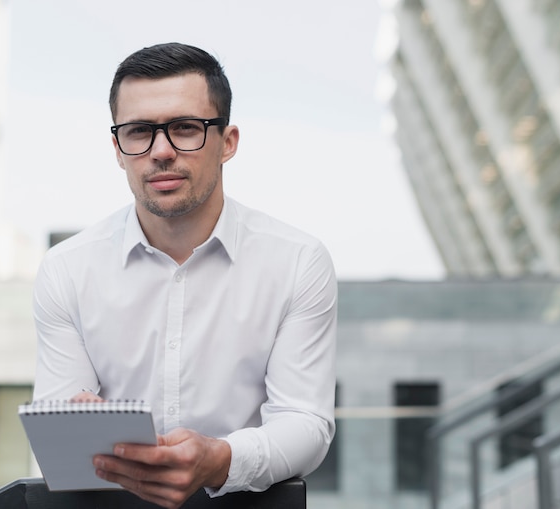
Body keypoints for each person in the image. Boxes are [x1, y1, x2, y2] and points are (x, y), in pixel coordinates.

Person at [32, 42, 337, 509]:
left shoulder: (297, 261)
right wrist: (74, 424)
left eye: (185, 129)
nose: (161, 152)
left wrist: (223, 459)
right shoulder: (67, 269)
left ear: (227, 142)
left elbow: (305, 423)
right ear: (118, 148)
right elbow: (58, 430)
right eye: (139, 132)